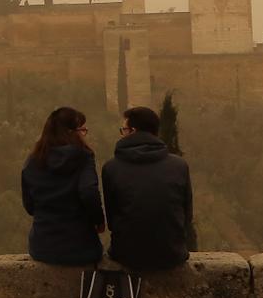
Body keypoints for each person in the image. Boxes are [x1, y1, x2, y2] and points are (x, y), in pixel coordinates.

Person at [102, 106, 193, 271]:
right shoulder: (179, 165)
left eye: (123, 130)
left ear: (132, 131)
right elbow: (187, 214)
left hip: (126, 255)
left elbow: (112, 218)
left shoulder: (111, 167)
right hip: (172, 254)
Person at [21, 106, 105, 265]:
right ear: (71, 132)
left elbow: (29, 206)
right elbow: (88, 192)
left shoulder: (32, 161)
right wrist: (99, 221)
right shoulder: (83, 157)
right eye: (82, 130)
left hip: (42, 248)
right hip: (82, 249)